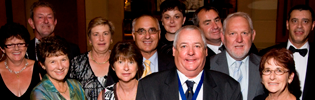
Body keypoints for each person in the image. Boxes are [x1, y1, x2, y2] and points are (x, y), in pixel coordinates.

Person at [136, 25, 242, 100]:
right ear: (174, 51)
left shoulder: (229, 88)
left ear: (205, 51)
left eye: (197, 46)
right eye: (184, 46)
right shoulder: (149, 87)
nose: (191, 52)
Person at [258, 5, 315, 100]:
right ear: (287, 24)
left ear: (313, 25)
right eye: (295, 21)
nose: (299, 26)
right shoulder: (265, 54)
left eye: (305, 21)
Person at [209, 12, 264, 100]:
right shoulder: (208, 66)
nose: (239, 40)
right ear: (222, 37)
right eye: (233, 33)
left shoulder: (265, 65)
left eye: (244, 33)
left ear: (253, 35)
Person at [192, 6, 259, 70]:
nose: (215, 26)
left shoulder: (247, 46)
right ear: (198, 29)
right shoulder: (199, 56)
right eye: (207, 23)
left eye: (217, 20)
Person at [69, 17, 118, 100]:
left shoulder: (120, 61)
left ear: (111, 38)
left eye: (105, 33)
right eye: (96, 34)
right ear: (90, 40)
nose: (101, 38)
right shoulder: (77, 63)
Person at [0, 23, 41, 100]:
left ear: (26, 46)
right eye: (11, 45)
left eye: (20, 44)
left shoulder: (40, 68)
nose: (16, 48)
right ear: (2, 48)